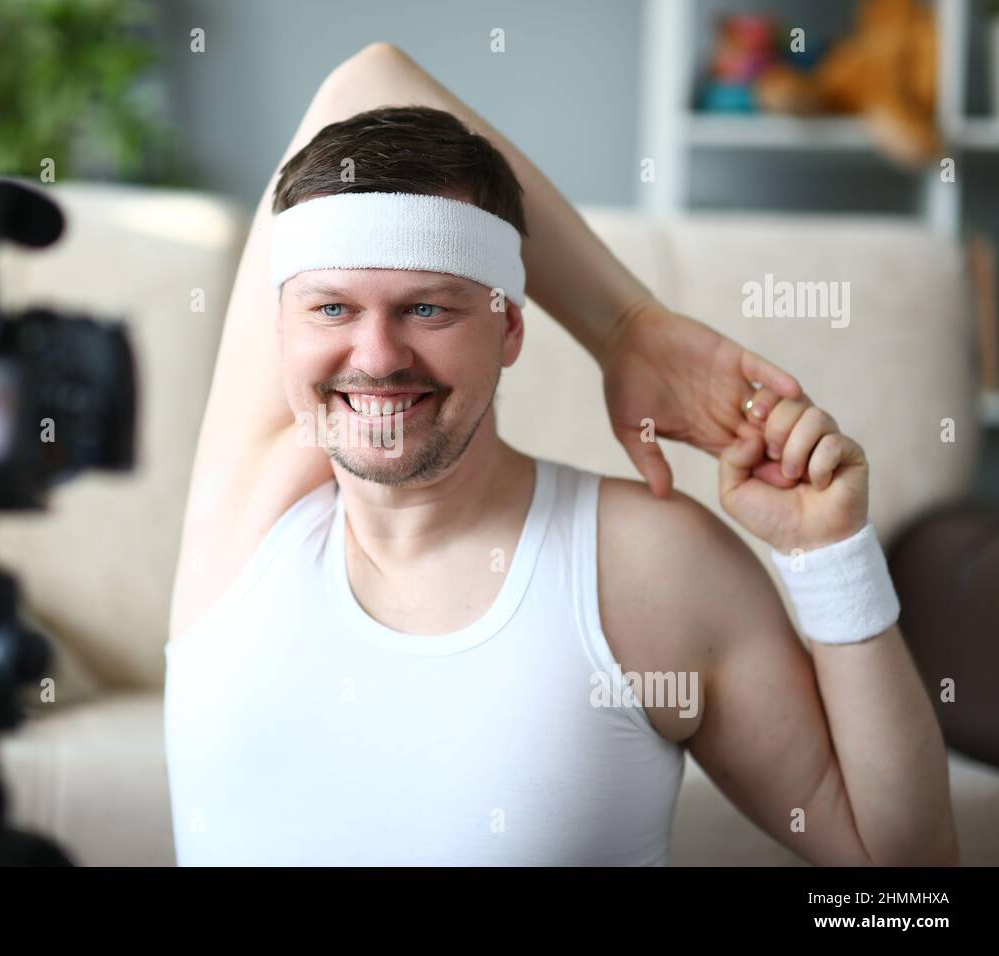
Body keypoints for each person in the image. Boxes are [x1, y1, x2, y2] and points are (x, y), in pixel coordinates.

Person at [163, 42, 957, 865]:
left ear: (510, 326)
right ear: (281, 326)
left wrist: (831, 559)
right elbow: (364, 80)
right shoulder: (250, 514)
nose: (377, 357)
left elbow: (904, 890)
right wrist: (626, 329)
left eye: (428, 308)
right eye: (331, 309)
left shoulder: (648, 564)